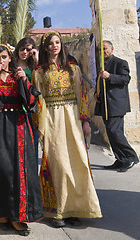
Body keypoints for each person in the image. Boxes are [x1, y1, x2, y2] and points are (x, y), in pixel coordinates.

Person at [32, 31, 102, 228]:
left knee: (77, 163)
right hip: (52, 120)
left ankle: (76, 208)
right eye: (50, 43)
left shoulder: (72, 67)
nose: (55, 46)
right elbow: (38, 100)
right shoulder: (39, 71)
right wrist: (39, 124)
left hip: (72, 119)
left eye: (57, 42)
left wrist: (85, 120)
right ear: (45, 48)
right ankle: (58, 211)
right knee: (59, 164)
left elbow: (82, 94)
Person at [0, 44, 43, 236]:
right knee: (2, 169)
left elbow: (32, 100)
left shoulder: (18, 75)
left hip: (20, 126)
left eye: (5, 57)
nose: (1, 61)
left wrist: (24, 81)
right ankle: (3, 213)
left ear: (10, 58)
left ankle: (18, 216)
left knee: (21, 170)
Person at [95, 40, 139, 172]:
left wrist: (110, 76)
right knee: (110, 133)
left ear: (112, 49)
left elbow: (125, 79)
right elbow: (99, 83)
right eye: (100, 50)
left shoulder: (120, 63)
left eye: (105, 49)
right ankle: (120, 159)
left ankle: (130, 157)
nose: (102, 52)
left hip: (116, 104)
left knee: (115, 132)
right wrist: (96, 94)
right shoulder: (101, 65)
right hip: (105, 104)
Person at [14, 37, 40, 165]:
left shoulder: (34, 67)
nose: (25, 52)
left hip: (32, 111)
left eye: (28, 49)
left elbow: (42, 83)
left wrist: (36, 58)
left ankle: (32, 180)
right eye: (22, 48)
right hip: (16, 110)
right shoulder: (12, 66)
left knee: (33, 146)